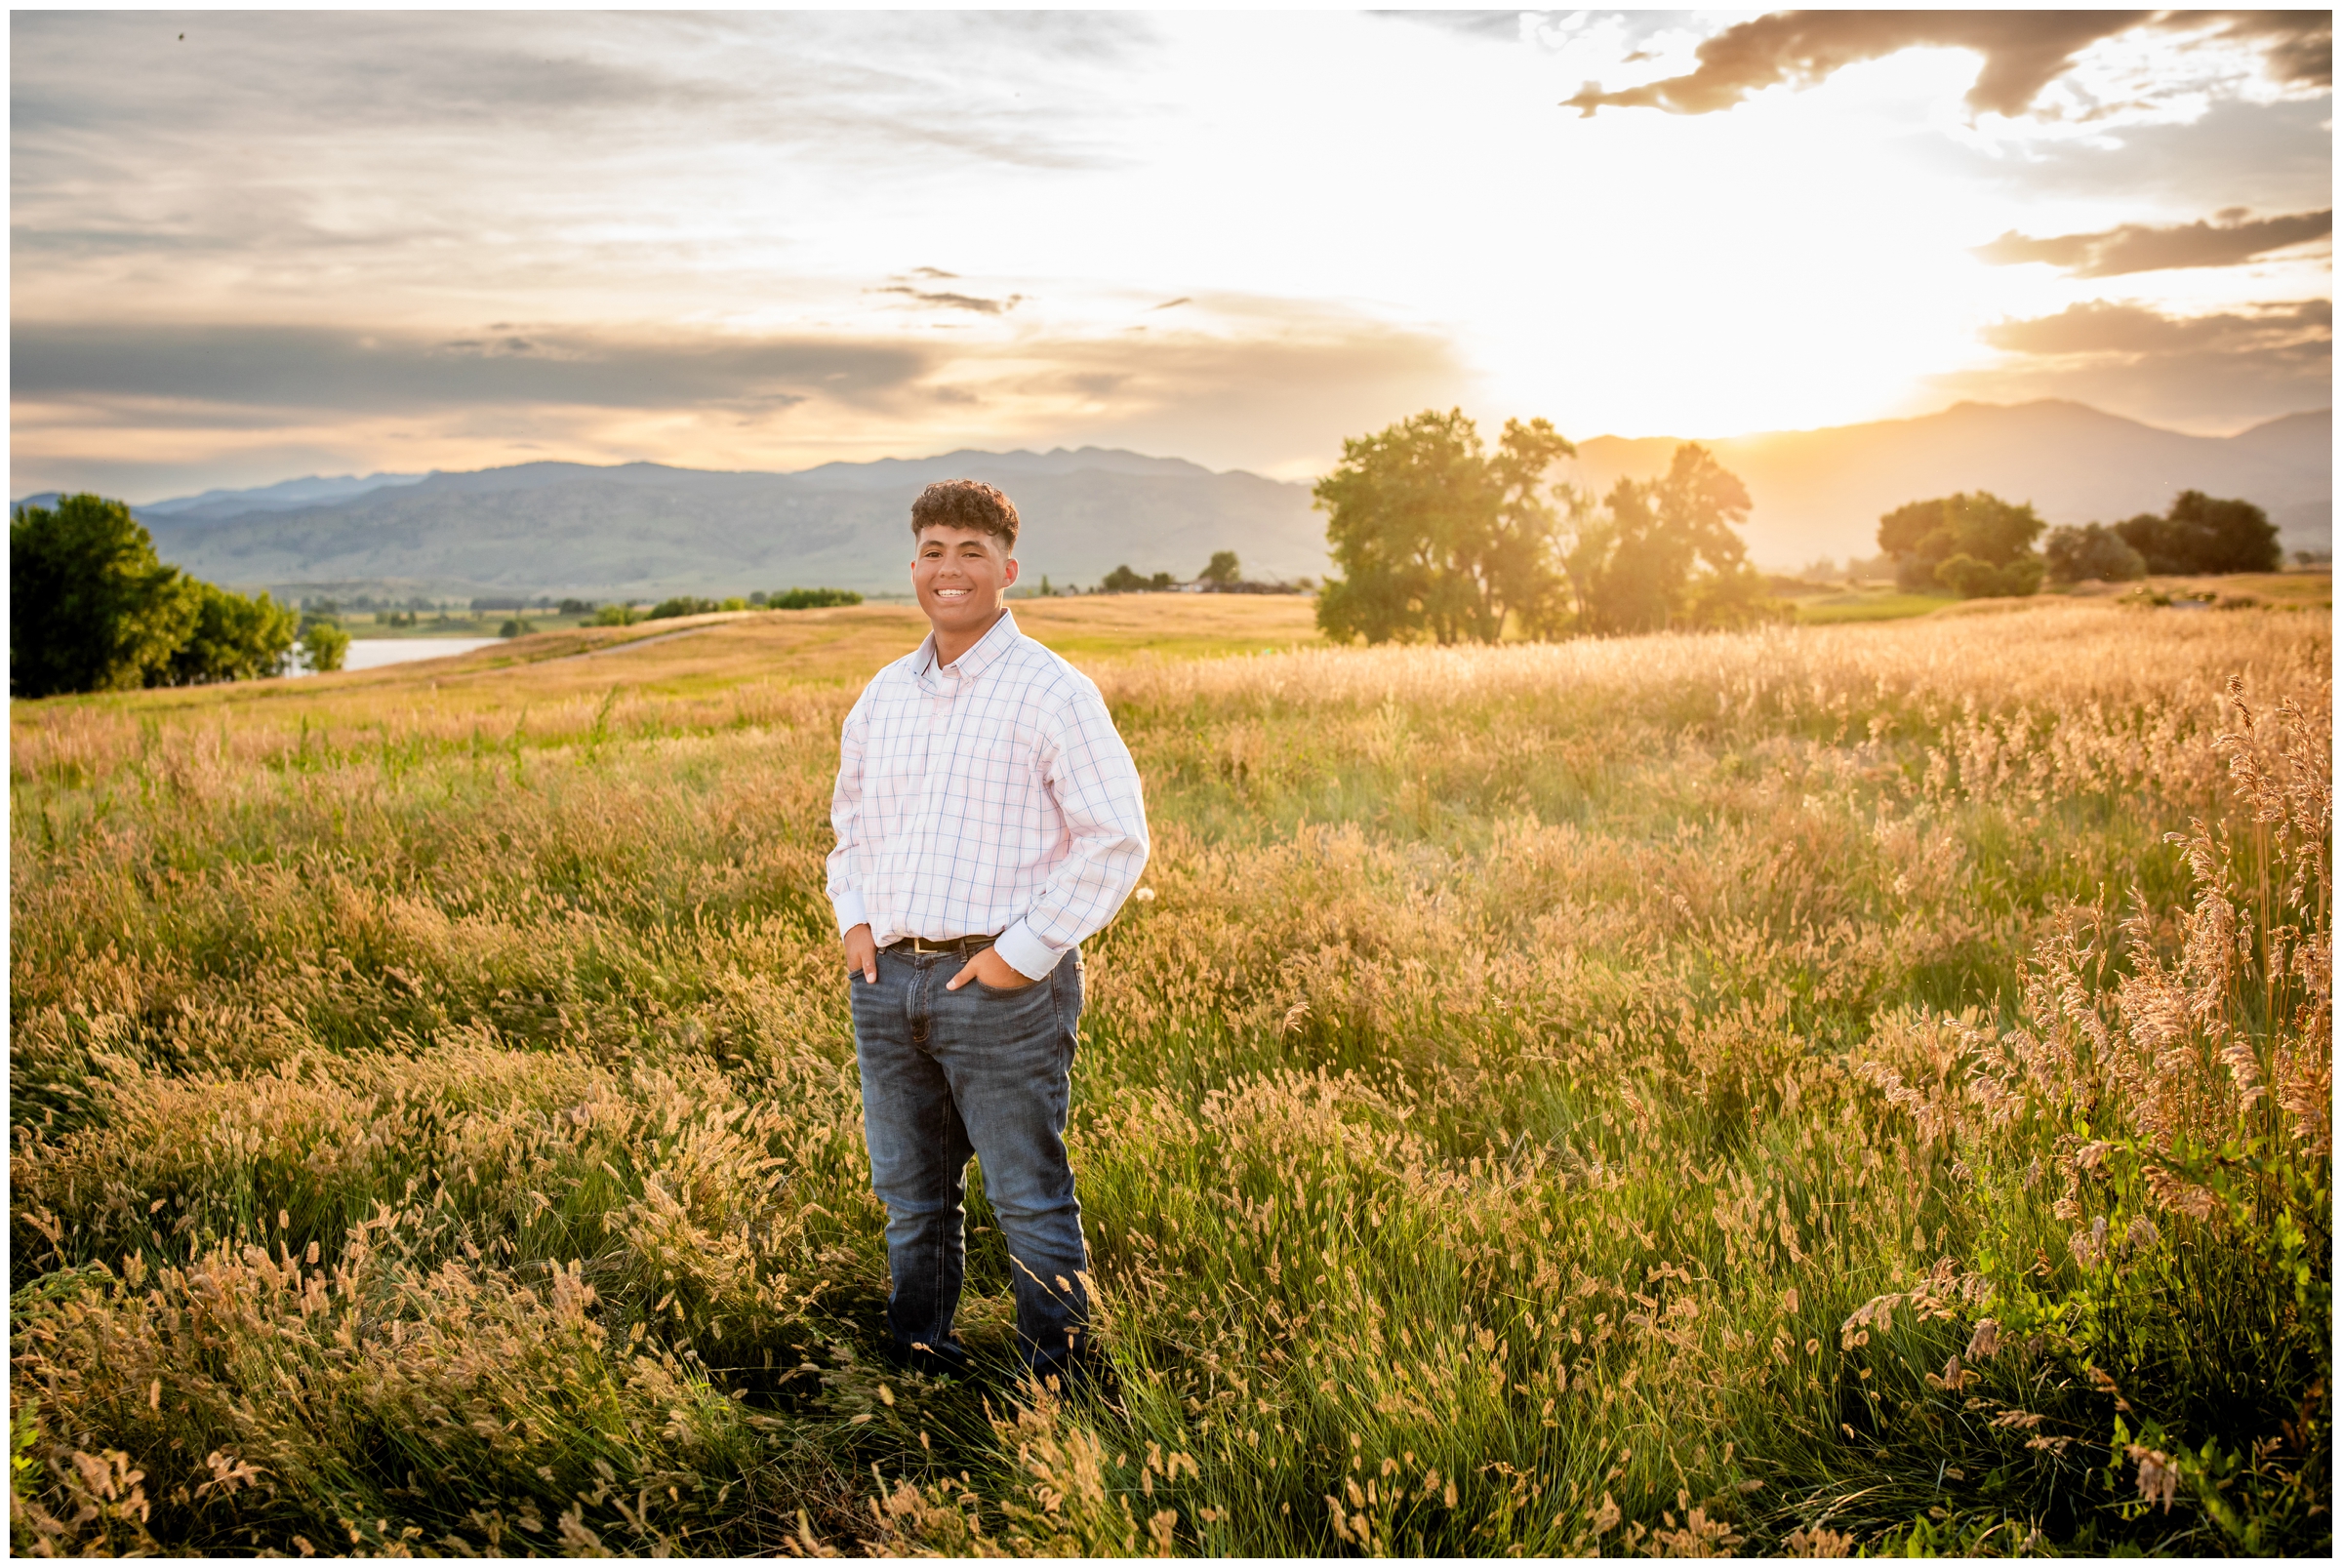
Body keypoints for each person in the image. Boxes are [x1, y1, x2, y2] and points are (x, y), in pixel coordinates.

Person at [827, 477, 1150, 1390]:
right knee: (912, 1201)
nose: (950, 568)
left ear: (1007, 568)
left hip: (999, 987)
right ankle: (924, 1365)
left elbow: (1116, 838)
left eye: (972, 551)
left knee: (1028, 1198)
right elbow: (852, 823)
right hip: (887, 985)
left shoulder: (1052, 691)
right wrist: (854, 919)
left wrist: (1020, 954)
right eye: (934, 549)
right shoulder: (884, 695)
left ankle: (1065, 1384)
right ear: (914, 566)